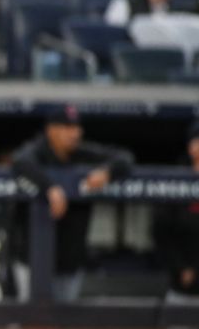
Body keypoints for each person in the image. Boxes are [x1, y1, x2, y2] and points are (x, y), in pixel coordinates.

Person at [11, 105, 134, 302]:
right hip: (32, 257)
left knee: (64, 323)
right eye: (67, 127)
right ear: (50, 130)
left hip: (70, 257)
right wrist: (49, 187)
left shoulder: (82, 153)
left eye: (77, 128)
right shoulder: (36, 152)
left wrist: (108, 172)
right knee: (32, 321)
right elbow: (19, 162)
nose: (74, 133)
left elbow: (125, 158)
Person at [154, 121, 199, 304]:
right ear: (191, 147)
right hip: (181, 286)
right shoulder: (175, 179)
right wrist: (180, 267)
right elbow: (161, 231)